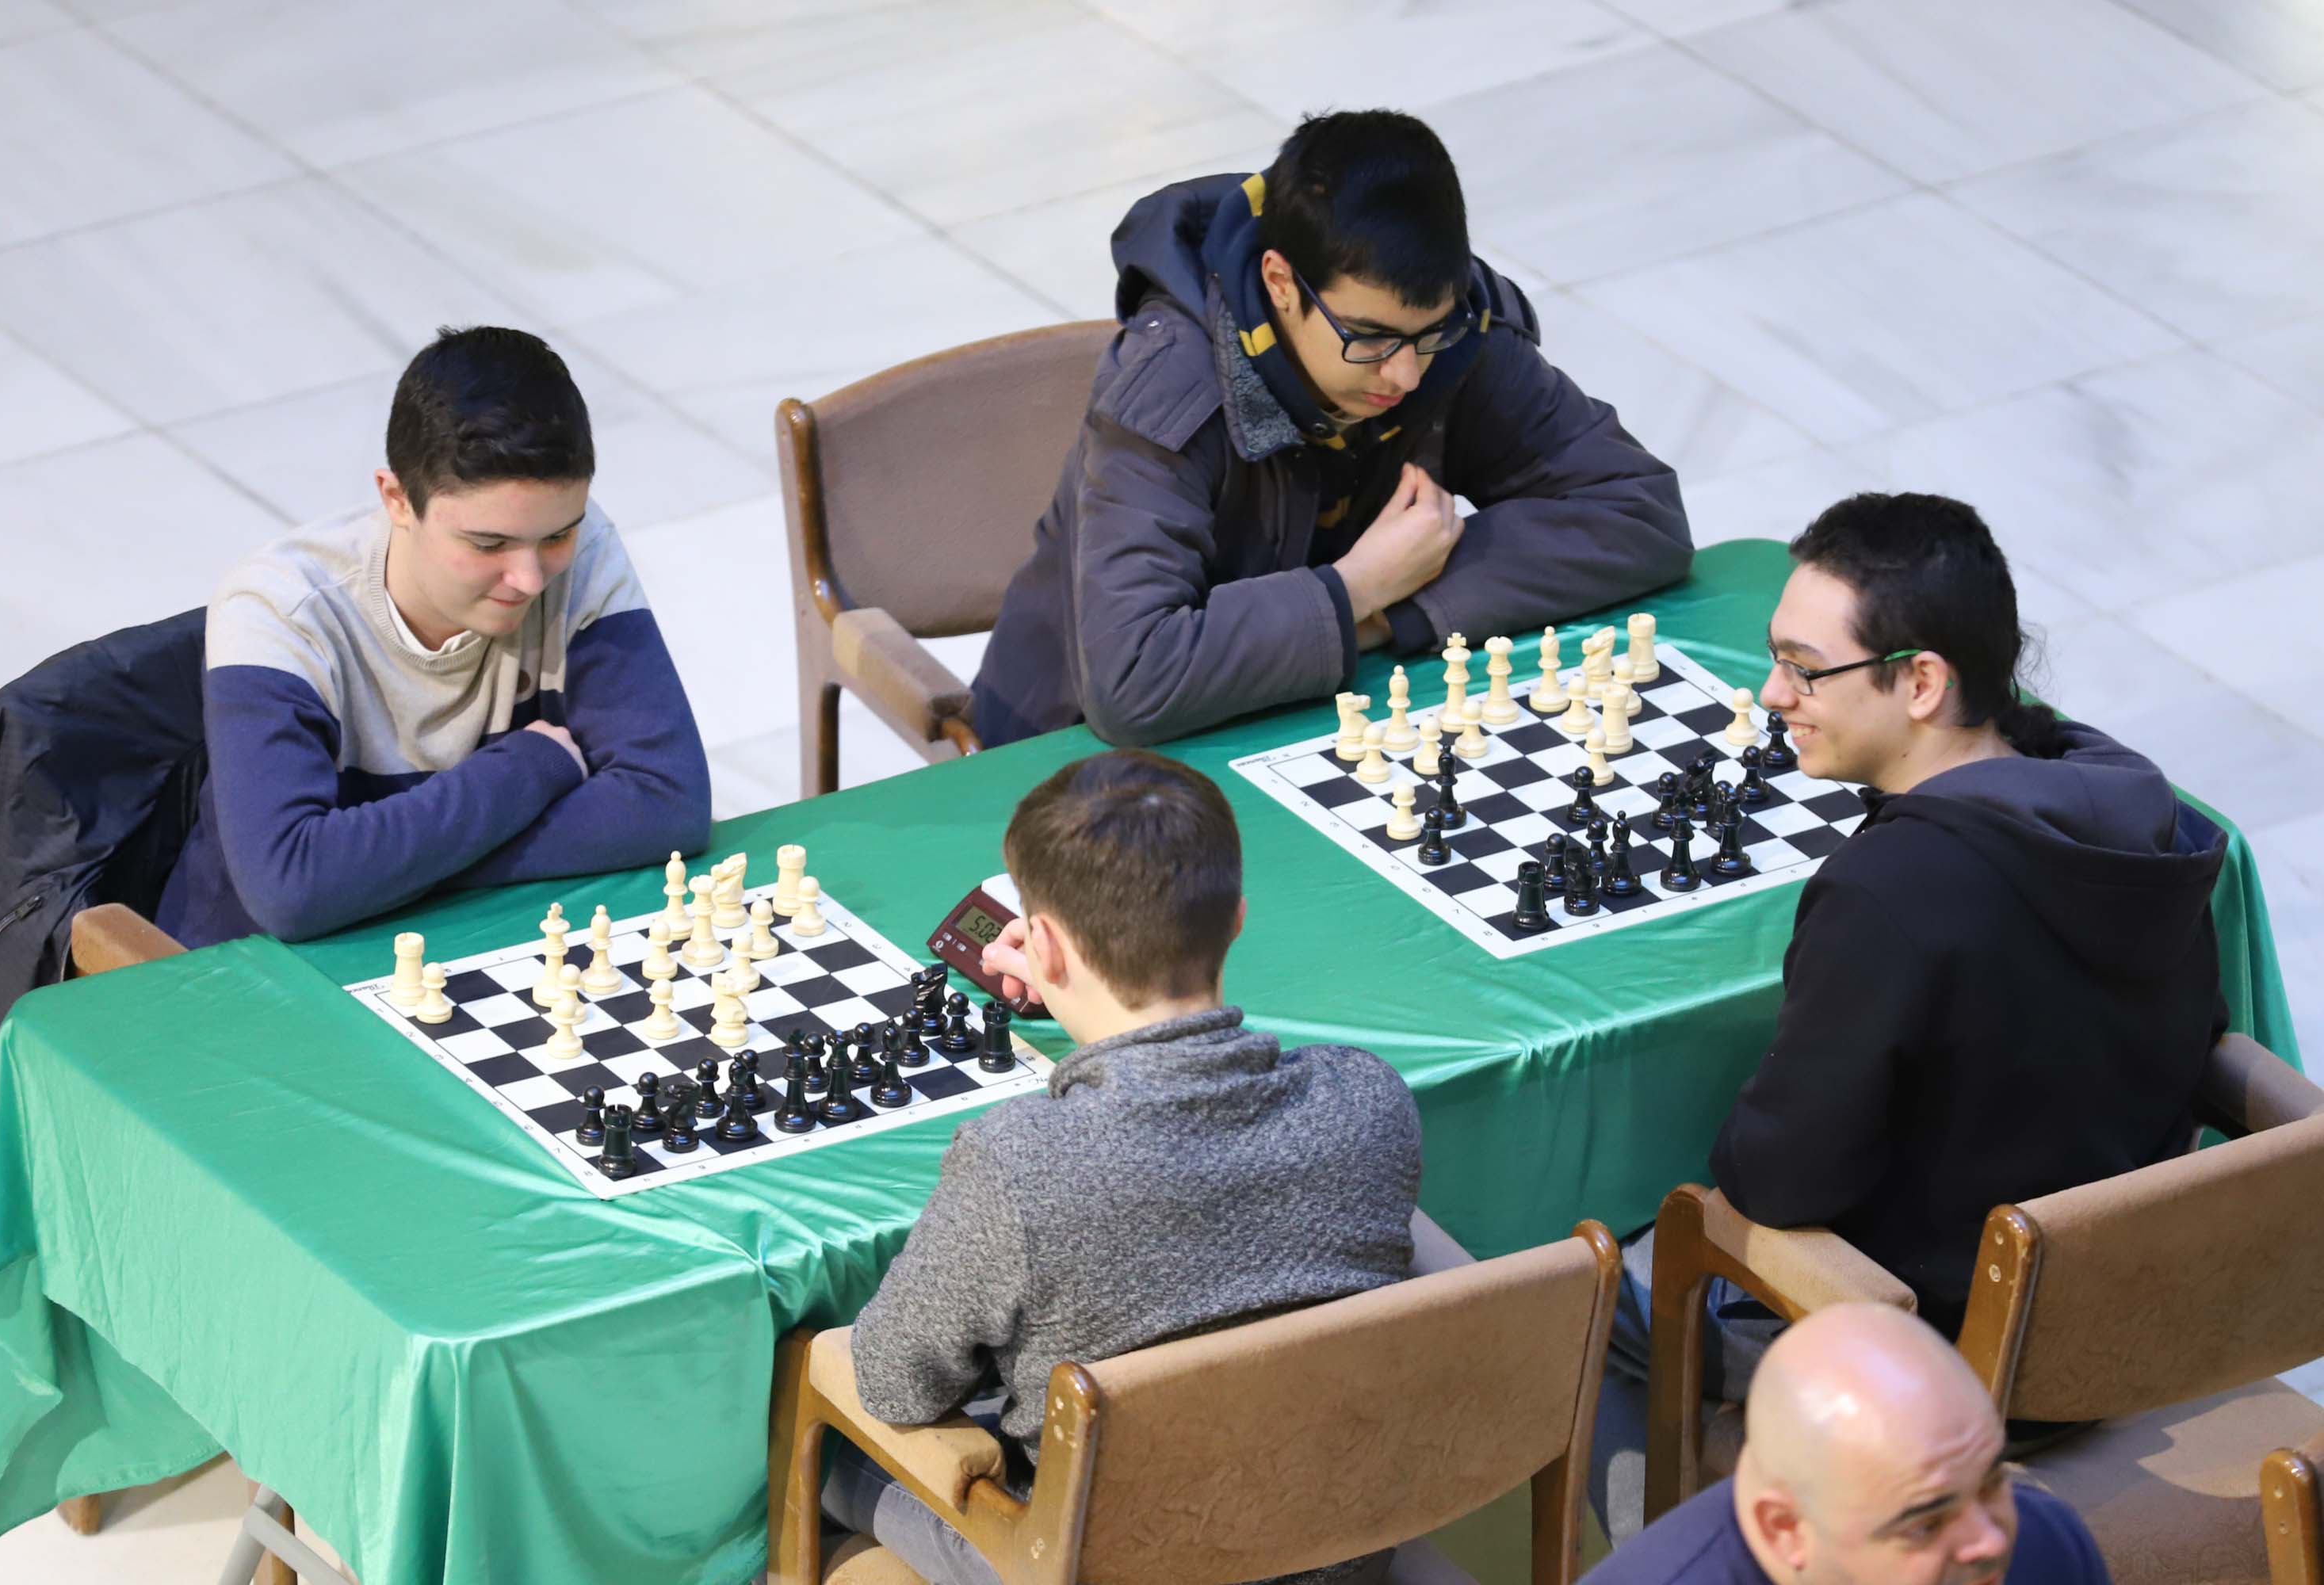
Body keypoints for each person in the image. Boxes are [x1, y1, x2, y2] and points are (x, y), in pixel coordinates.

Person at [1593, 492, 2229, 1536]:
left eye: (1805, 668)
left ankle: (1660, 1557)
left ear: (1923, 682)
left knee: (1609, 1296)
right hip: (2138, 1308)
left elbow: (1782, 1180)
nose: (1774, 694)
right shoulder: (2139, 814)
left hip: (1947, 1351)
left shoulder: (1891, 894)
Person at [823, 749, 1424, 1585]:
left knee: (822, 1452)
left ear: (1045, 947)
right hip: (1337, 1550)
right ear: (1239, 918)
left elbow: (892, 1382)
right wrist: (1072, 984)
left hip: (1093, 1563)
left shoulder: (1018, 1162)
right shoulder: (1370, 1102)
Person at [971, 109, 1691, 748]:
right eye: (1370, 338)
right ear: (1281, 283)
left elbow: (1639, 512)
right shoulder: (1168, 388)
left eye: (1428, 333)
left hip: (1307, 719)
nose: (1406, 375)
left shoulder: (1458, 335)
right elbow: (1132, 679)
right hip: (1064, 757)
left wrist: (1379, 611)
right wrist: (1351, 590)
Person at [156, 327, 709, 946]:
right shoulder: (278, 606)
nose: (528, 578)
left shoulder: (583, 546)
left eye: (557, 536)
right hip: (246, 978)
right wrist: (531, 767)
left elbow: (668, 802)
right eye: (487, 544)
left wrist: (379, 867)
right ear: (396, 498)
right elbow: (291, 889)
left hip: (455, 945)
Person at [1584, 1304, 2111, 1584]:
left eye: (1992, 1482)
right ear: (1787, 1529)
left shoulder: (2050, 1553)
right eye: (1926, 1523)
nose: (1992, 1541)